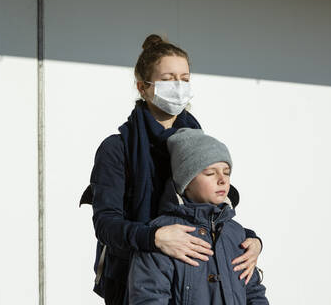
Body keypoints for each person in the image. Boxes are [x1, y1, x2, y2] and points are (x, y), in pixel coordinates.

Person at [86, 34, 263, 304]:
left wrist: (251, 241)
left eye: (185, 78)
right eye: (168, 80)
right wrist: (154, 238)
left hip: (196, 277)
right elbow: (105, 224)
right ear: (143, 87)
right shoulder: (117, 149)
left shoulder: (199, 144)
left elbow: (216, 209)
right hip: (133, 282)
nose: (178, 86)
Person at [128, 128, 268, 304]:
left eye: (226, 172)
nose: (222, 180)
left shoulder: (236, 233)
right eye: (210, 173)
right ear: (186, 183)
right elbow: (148, 298)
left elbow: (254, 292)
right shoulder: (163, 235)